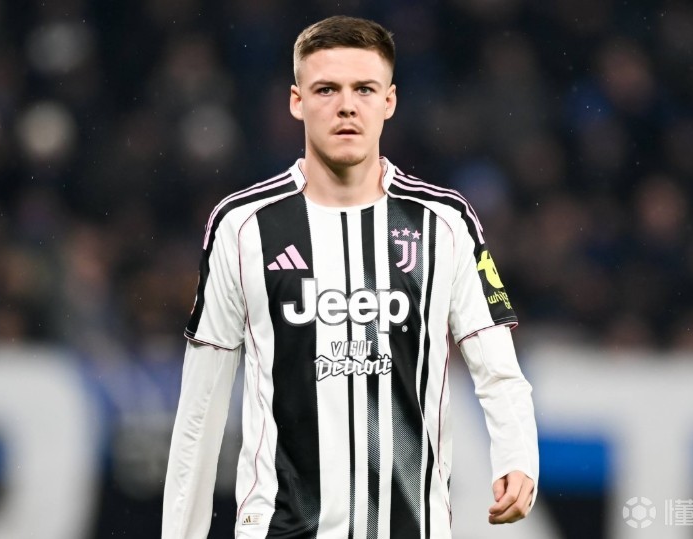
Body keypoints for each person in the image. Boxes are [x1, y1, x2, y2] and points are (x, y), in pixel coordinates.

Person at [162, 15, 538, 539]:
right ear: (297, 102)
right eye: (326, 89)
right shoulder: (243, 226)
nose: (346, 106)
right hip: (279, 529)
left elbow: (496, 366)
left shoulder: (444, 223)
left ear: (389, 101)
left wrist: (518, 457)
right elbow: (201, 405)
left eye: (364, 89)